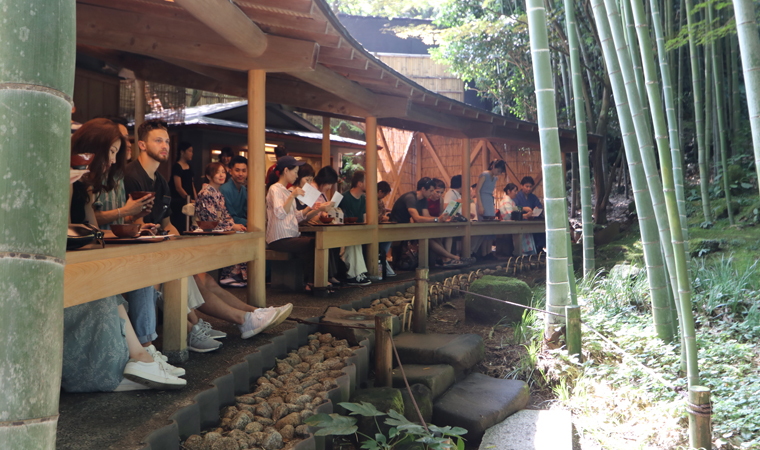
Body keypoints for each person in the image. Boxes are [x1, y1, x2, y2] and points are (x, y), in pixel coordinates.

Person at [66, 118, 185, 392]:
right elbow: (65, 232)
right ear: (91, 149)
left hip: (84, 260)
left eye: (116, 153)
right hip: (69, 267)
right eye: (110, 152)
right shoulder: (72, 180)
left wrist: (129, 229)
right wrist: (123, 216)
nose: (112, 160)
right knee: (123, 277)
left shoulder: (85, 185)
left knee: (141, 267)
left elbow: (93, 233)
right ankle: (143, 355)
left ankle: (145, 353)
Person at [266, 156, 334, 292]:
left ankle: (314, 281)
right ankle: (313, 282)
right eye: (295, 172)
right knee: (313, 243)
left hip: (289, 236)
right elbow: (280, 213)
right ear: (286, 171)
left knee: (317, 242)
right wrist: (292, 196)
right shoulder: (275, 189)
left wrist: (313, 208)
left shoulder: (285, 190)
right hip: (279, 238)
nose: (296, 175)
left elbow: (296, 216)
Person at [195, 162, 247, 286]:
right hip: (206, 230)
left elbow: (225, 214)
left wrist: (232, 224)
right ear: (209, 176)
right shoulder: (206, 193)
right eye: (217, 172)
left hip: (218, 228)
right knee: (237, 234)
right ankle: (229, 275)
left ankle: (237, 275)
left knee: (242, 233)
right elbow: (210, 220)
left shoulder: (218, 193)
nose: (221, 175)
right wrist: (232, 226)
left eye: (223, 172)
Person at [389, 178, 462, 266]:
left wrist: (441, 218)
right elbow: (417, 218)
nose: (432, 193)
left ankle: (446, 258)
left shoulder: (423, 199)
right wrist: (437, 219)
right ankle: (450, 257)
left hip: (407, 226)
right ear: (423, 189)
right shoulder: (410, 197)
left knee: (432, 235)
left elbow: (426, 216)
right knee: (427, 236)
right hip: (396, 226)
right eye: (431, 191)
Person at [123, 119, 179, 236]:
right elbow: (137, 223)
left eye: (167, 142)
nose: (165, 146)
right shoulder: (131, 176)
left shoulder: (162, 181)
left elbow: (167, 224)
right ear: (142, 145)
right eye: (158, 141)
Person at [338, 171, 371, 286]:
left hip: (357, 232)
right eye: (367, 181)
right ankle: (355, 274)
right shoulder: (343, 197)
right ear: (360, 183)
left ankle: (356, 274)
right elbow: (333, 214)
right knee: (353, 240)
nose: (370, 184)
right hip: (341, 232)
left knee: (356, 239)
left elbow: (365, 219)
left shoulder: (363, 199)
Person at [472, 159, 507, 260]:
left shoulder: (495, 178)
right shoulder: (485, 174)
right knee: (484, 227)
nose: (499, 173)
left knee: (491, 227)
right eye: (498, 170)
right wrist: (481, 205)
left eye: (500, 172)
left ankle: (489, 252)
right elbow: (477, 191)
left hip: (490, 201)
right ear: (493, 167)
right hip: (482, 200)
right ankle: (483, 253)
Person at [170, 141, 197, 232]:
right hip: (180, 201)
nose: (191, 153)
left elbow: (192, 184)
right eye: (189, 151)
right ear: (182, 152)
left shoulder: (189, 166)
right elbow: (178, 187)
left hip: (190, 200)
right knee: (181, 224)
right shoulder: (177, 166)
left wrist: (196, 199)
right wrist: (188, 199)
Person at [514, 176, 546, 252]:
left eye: (530, 187)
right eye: (527, 186)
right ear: (522, 186)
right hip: (521, 221)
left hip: (533, 220)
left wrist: (537, 210)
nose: (529, 189)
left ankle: (539, 247)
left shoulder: (533, 197)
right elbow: (513, 208)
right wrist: (523, 208)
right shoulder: (516, 196)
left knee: (541, 227)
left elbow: (540, 207)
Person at [220, 155, 249, 227]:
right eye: (237, 170)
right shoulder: (224, 189)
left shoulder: (244, 190)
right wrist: (250, 223)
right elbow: (229, 216)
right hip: (230, 228)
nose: (241, 174)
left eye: (244, 171)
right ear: (230, 171)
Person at [377, 181, 395, 277]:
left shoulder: (380, 201)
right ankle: (382, 268)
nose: (384, 196)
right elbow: (378, 216)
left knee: (388, 239)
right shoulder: (372, 200)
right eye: (384, 194)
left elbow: (382, 211)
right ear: (380, 191)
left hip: (382, 226)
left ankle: (383, 264)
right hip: (376, 228)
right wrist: (389, 218)